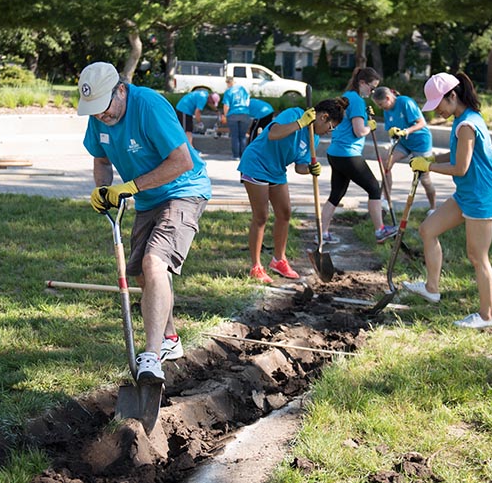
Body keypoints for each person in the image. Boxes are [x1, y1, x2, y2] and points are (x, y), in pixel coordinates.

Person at [79, 62, 212, 385]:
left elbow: (182, 161)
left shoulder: (149, 106)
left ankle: (151, 357)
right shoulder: (101, 117)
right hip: (149, 198)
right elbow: (101, 158)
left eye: (105, 109)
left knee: (155, 264)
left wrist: (132, 187)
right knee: (140, 273)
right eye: (94, 112)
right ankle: (169, 338)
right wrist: (102, 189)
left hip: (184, 190)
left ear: (121, 90)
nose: (101, 117)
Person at [402, 72, 492, 329]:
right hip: (467, 194)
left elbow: (461, 168)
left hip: (480, 196)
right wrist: (433, 159)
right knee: (428, 229)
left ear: (452, 96)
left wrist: (429, 168)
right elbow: (456, 154)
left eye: (439, 105)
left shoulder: (467, 125)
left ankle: (486, 317)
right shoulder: (464, 119)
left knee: (478, 257)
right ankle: (432, 288)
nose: (437, 112)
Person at [238, 97, 348, 283]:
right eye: (331, 127)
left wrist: (310, 169)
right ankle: (256, 266)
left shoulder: (315, 137)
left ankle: (279, 260)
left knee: (285, 213)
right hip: (256, 164)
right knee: (261, 216)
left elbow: (300, 167)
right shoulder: (294, 114)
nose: (329, 132)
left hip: (277, 170)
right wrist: (300, 123)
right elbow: (273, 134)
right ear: (323, 117)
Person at [319, 67, 398, 244]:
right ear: (362, 83)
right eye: (371, 88)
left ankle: (323, 234)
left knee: (336, 194)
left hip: (335, 153)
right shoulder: (356, 101)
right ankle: (380, 230)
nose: (372, 92)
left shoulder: (346, 96)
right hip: (348, 154)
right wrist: (370, 125)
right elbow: (359, 130)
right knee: (374, 189)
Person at [371, 87, 437, 214]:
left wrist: (406, 131)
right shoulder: (387, 109)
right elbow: (391, 129)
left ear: (388, 98)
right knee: (386, 163)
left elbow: (421, 123)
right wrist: (393, 134)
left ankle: (433, 208)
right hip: (404, 142)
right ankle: (386, 200)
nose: (380, 107)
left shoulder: (406, 103)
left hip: (420, 142)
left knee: (424, 178)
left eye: (380, 104)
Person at [220, 76, 251, 160]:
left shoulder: (228, 92)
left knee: (235, 136)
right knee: (243, 136)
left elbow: (226, 106)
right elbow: (248, 100)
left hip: (233, 114)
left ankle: (236, 155)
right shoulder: (242, 89)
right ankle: (243, 155)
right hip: (244, 113)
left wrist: (226, 116)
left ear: (228, 83)